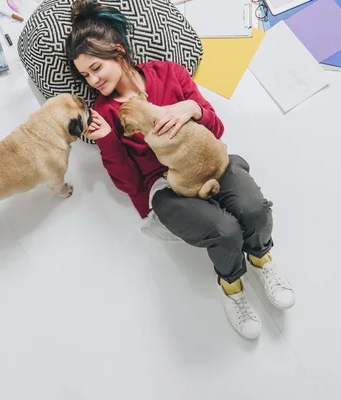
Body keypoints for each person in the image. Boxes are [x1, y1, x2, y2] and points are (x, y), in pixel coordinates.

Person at [66, 0, 295, 339]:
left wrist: (190, 107)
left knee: (255, 211)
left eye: (97, 68)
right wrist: (107, 142)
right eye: (85, 75)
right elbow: (129, 184)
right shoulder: (105, 113)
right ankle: (232, 286)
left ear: (119, 52)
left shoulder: (169, 73)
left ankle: (262, 259)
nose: (93, 80)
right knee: (226, 230)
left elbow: (215, 130)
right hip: (166, 189)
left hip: (208, 162)